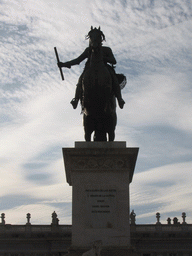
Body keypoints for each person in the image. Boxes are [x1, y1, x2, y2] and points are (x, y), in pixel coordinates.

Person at [58, 27, 125, 109]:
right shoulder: (88, 50)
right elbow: (78, 60)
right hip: (89, 68)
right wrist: (64, 64)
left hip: (105, 67)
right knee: (81, 80)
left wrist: (103, 58)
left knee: (113, 78)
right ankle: (76, 99)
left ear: (100, 39)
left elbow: (113, 61)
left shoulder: (106, 50)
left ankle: (120, 99)